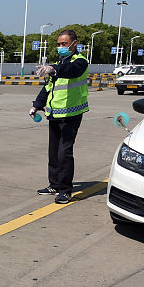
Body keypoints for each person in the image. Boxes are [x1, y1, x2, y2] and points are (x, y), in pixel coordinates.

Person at [29, 29, 89, 204]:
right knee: (53, 151)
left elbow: (70, 70)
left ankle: (65, 190)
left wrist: (53, 69)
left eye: (64, 44)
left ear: (74, 44)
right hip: (54, 113)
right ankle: (54, 184)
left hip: (71, 114)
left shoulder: (79, 62)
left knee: (64, 152)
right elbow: (48, 88)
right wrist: (36, 105)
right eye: (59, 44)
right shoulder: (58, 63)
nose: (61, 47)